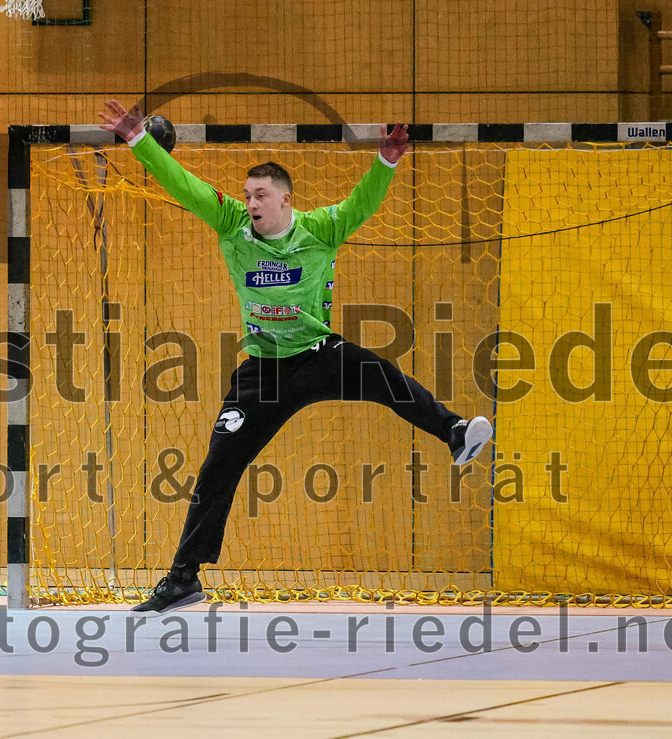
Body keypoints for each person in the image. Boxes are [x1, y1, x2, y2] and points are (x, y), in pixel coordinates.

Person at [98, 100, 493, 615]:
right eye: (247, 195)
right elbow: (182, 183)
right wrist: (138, 141)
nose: (251, 202)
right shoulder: (231, 223)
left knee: (384, 377)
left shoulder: (320, 229)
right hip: (263, 368)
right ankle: (182, 579)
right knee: (219, 465)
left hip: (316, 354)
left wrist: (387, 162)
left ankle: (455, 433)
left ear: (285, 201)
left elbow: (361, 204)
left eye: (261, 195)